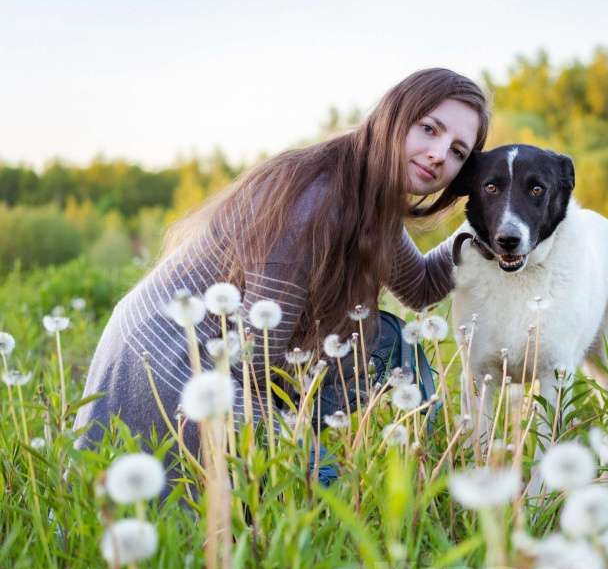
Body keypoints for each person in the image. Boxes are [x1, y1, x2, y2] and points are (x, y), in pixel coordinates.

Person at [73, 68, 491, 490]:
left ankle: (426, 469)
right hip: (170, 359)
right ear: (393, 116)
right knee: (314, 484)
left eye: (458, 151)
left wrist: (496, 221)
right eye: (429, 129)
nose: (439, 154)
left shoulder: (368, 193)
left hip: (232, 358)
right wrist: (311, 417)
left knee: (394, 346)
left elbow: (420, 287)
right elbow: (256, 358)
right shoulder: (317, 198)